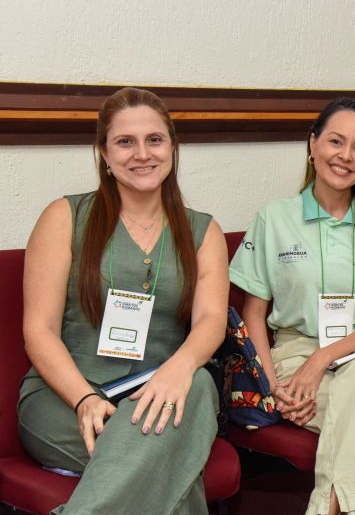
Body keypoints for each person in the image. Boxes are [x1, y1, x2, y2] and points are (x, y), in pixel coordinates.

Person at [17, 87, 229, 514]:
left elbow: (210, 319)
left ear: (172, 147)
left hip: (163, 393)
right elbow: (38, 331)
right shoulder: (65, 216)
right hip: (66, 397)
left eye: (154, 139)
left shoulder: (203, 232)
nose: (142, 154)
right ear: (104, 153)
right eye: (125, 142)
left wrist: (179, 369)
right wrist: (84, 400)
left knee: (199, 386)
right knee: (168, 462)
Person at [229, 97, 355, 515]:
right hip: (293, 358)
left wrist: (324, 357)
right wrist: (272, 390)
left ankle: (330, 505)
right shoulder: (275, 218)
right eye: (336, 142)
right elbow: (253, 314)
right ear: (313, 145)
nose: (345, 156)